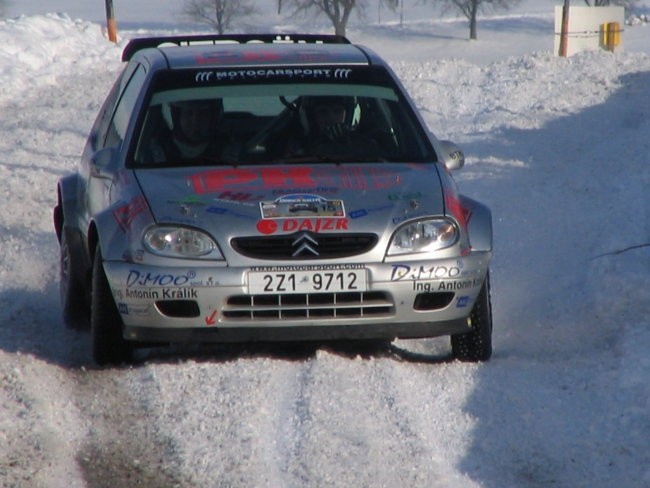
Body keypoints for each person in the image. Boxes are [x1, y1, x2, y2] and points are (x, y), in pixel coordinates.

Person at [149, 98, 225, 163]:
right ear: (177, 116)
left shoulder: (229, 153)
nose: (195, 122)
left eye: (203, 114)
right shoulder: (155, 152)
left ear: (213, 118)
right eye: (188, 113)